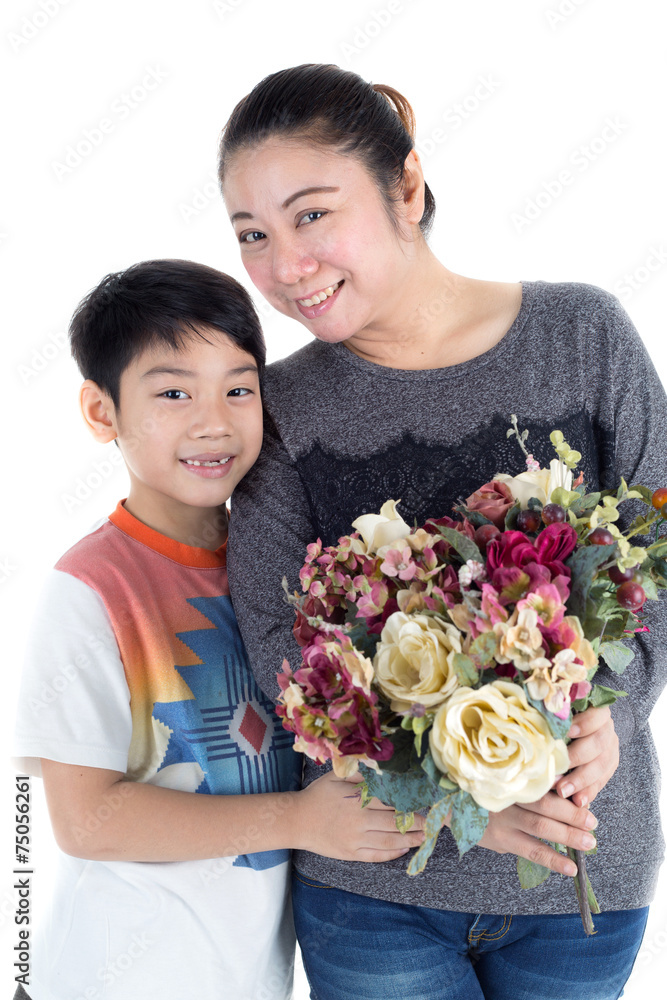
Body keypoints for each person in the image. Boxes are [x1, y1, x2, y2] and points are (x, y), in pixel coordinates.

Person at [218, 64, 667, 1000]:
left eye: (310, 215)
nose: (283, 266)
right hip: (375, 884)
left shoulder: (581, 336)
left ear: (407, 187)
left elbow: (656, 548)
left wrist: (610, 713)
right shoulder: (281, 407)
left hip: (579, 870)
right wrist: (456, 802)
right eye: (252, 234)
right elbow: (275, 644)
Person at [11, 259, 427, 1000]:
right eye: (173, 393)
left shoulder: (289, 572)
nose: (214, 422)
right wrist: (300, 821)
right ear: (102, 413)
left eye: (239, 388)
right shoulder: (90, 589)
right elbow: (87, 820)